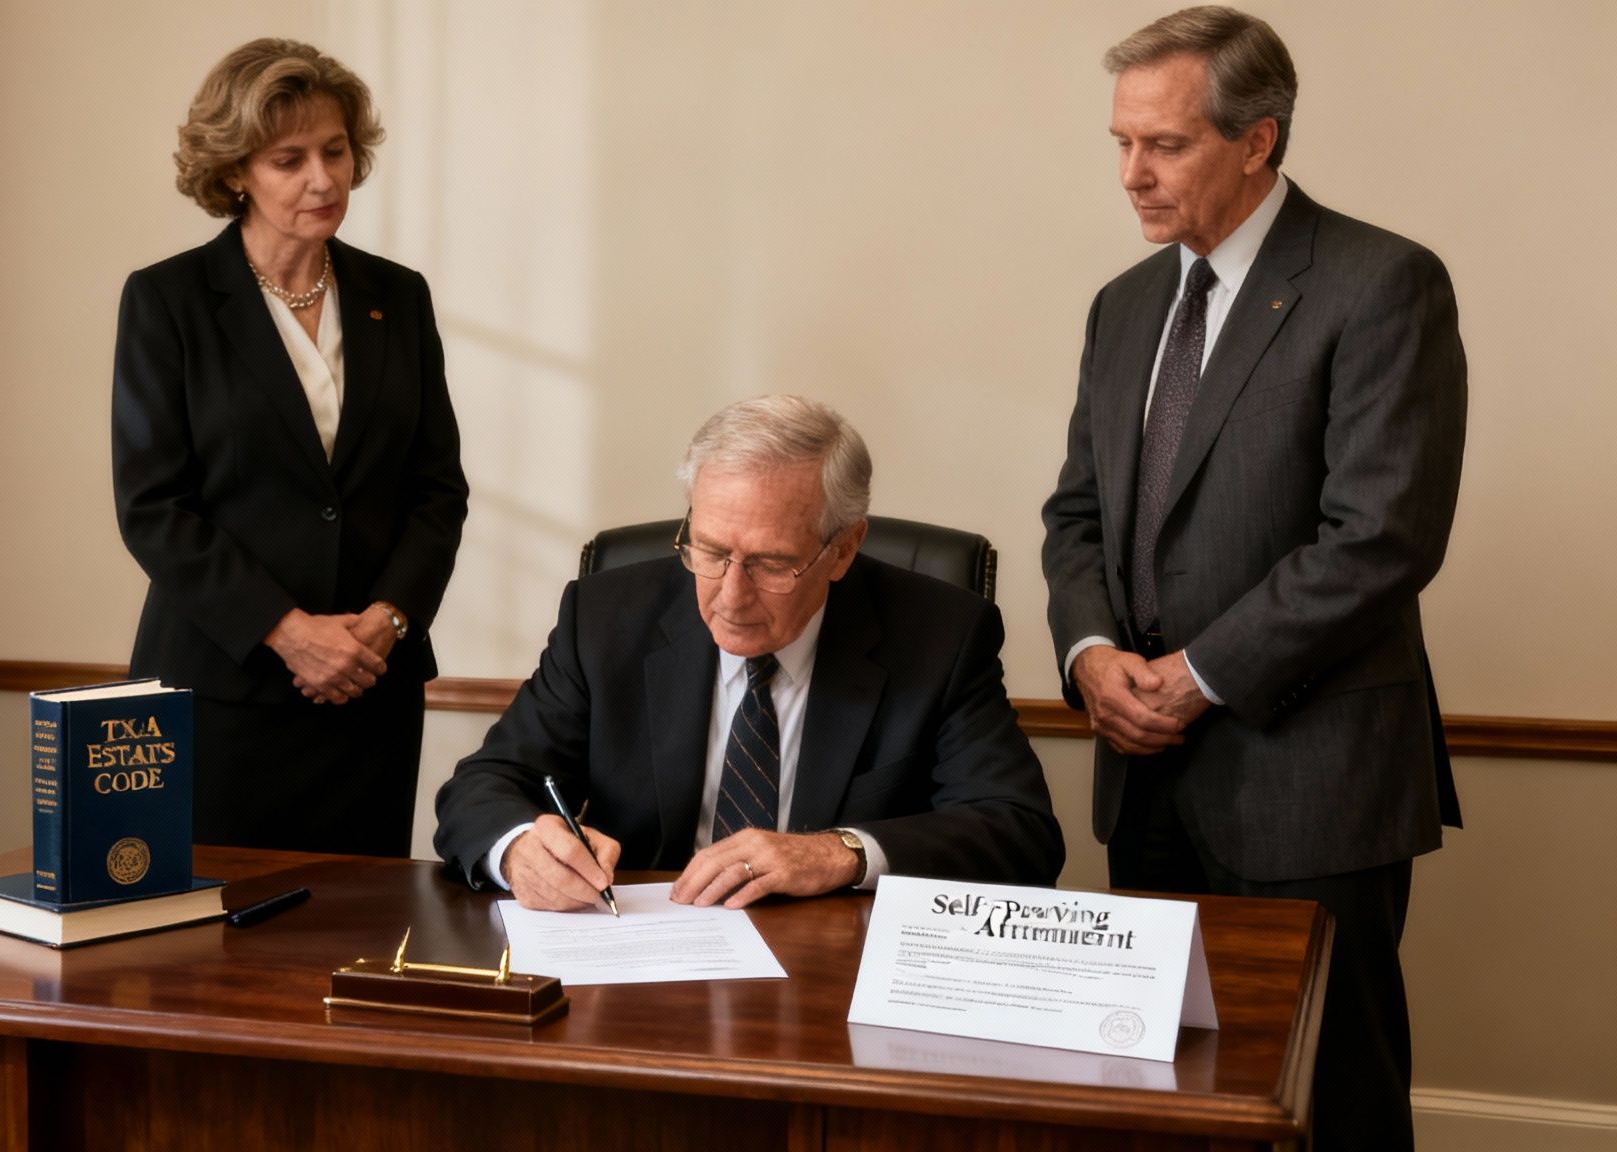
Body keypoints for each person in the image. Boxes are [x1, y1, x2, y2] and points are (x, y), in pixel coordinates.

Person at [1039, 8, 1466, 1149]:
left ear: (1256, 139)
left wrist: (1196, 674)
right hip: (1144, 774)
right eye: (1119, 142)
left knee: (1334, 1099)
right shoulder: (1123, 307)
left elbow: (1378, 536)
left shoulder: (1381, 284)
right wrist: (1090, 660)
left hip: (1310, 784)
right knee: (1161, 1098)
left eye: (1163, 145)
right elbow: (1075, 516)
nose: (1130, 173)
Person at [436, 396, 1063, 911]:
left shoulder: (939, 635)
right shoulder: (606, 619)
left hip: (836, 971)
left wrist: (839, 853)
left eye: (771, 563)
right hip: (645, 956)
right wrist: (519, 848)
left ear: (843, 549)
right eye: (710, 552)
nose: (730, 595)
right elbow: (484, 786)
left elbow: (1018, 831)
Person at [113, 38, 467, 856]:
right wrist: (287, 631)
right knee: (211, 959)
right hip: (222, 692)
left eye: (336, 151)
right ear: (237, 171)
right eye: (290, 159)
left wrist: (388, 619)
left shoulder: (397, 297)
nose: (324, 179)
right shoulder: (168, 301)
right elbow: (153, 509)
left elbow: (437, 491)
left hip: (371, 695)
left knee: (360, 943)